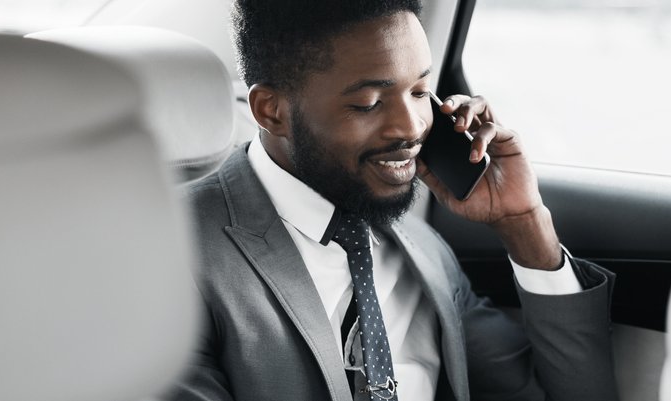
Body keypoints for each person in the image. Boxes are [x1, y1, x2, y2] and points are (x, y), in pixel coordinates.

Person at [167, 1, 618, 400]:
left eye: (421, 92)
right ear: (272, 111)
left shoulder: (422, 249)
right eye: (368, 103)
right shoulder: (168, 254)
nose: (412, 127)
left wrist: (524, 222)